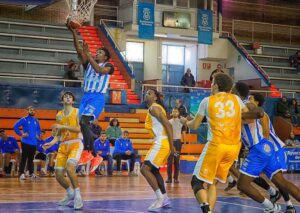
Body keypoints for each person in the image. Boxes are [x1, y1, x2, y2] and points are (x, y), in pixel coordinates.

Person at [180, 73, 251, 213]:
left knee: (196, 182)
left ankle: (206, 210)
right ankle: (210, 210)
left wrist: (185, 122)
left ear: (217, 85)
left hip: (216, 146)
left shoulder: (207, 101)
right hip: (233, 148)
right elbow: (247, 116)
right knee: (212, 183)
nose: (210, 86)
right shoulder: (236, 99)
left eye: (212, 83)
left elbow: (194, 126)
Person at [234, 86, 300, 212]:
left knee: (243, 184)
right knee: (280, 182)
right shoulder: (242, 106)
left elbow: (262, 121)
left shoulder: (246, 105)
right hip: (265, 147)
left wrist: (240, 116)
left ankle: (274, 207)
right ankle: (279, 199)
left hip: (267, 147)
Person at [67, 20, 114, 172]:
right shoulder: (89, 63)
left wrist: (88, 55)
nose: (97, 53)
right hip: (86, 96)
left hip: (97, 97)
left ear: (106, 57)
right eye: (97, 52)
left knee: (85, 120)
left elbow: (100, 72)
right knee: (82, 123)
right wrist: (74, 32)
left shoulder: (108, 66)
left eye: (100, 52)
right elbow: (78, 49)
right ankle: (94, 154)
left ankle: (88, 152)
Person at [250, 92, 296, 213]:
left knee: (279, 180)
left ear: (257, 102)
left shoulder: (262, 114)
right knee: (250, 175)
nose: (248, 101)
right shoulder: (252, 115)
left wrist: (261, 150)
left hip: (273, 149)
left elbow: (265, 134)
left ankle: (290, 205)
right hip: (263, 150)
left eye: (251, 99)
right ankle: (273, 192)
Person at [43, 91, 83, 210]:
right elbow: (58, 135)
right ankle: (70, 192)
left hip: (75, 143)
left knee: (70, 168)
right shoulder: (59, 115)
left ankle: (78, 196)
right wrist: (51, 143)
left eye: (70, 97)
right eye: (65, 97)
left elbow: (78, 129)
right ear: (62, 100)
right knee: (58, 175)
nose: (68, 98)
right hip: (63, 145)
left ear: (73, 101)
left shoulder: (77, 112)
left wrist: (62, 126)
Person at [141, 89, 176, 211]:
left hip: (162, 142)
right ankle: (165, 199)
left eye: (149, 93)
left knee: (144, 169)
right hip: (160, 141)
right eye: (146, 93)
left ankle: (159, 198)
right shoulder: (154, 108)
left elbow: (169, 125)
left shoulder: (154, 108)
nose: (146, 94)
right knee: (154, 171)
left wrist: (172, 146)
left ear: (155, 97)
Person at [14, 106, 41, 180]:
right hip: (25, 142)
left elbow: (39, 129)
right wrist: (21, 134)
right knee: (23, 158)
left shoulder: (36, 120)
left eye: (33, 110)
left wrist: (37, 134)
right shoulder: (24, 119)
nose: (32, 111)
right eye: (30, 110)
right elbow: (15, 126)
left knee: (31, 159)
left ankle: (31, 173)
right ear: (28, 111)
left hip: (34, 143)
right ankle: (21, 174)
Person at [166, 108, 184, 184]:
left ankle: (176, 178)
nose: (174, 113)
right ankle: (169, 178)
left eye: (176, 111)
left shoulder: (181, 121)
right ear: (172, 113)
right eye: (173, 111)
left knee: (176, 161)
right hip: (170, 142)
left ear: (178, 113)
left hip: (177, 143)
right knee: (169, 162)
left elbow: (184, 131)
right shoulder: (168, 122)